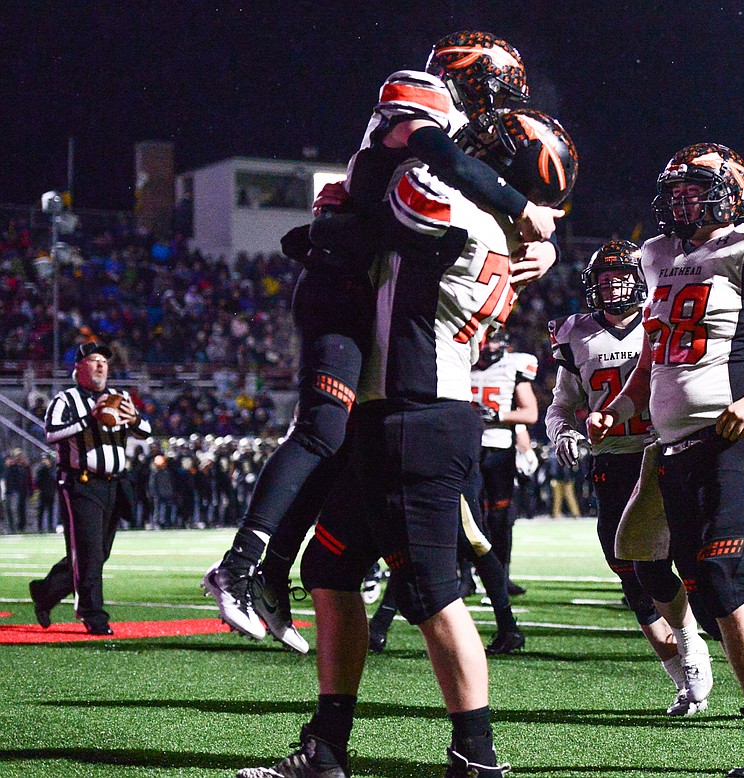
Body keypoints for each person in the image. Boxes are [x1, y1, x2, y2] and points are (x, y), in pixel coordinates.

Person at [237, 108, 577, 778]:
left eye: (488, 146)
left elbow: (376, 197)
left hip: (420, 415)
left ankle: (476, 757)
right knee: (330, 571)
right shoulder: (495, 225)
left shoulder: (454, 209)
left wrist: (401, 137)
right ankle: (327, 747)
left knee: (430, 591)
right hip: (388, 413)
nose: (466, 144)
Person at [203, 30, 563, 651]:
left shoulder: (453, 137)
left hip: (369, 285)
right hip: (341, 283)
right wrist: (517, 207)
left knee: (337, 445)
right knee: (319, 430)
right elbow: (444, 164)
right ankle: (238, 565)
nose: (501, 102)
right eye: (498, 84)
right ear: (468, 72)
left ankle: (270, 575)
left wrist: (542, 240)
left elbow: (462, 189)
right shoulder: (422, 97)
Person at [588, 144, 744, 777]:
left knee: (725, 581)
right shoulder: (662, 259)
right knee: (692, 582)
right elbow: (656, 356)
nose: (684, 200)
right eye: (677, 190)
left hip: (739, 438)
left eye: (698, 188)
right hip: (676, 447)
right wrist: (621, 403)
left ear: (731, 194)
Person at [547, 239, 715, 717]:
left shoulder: (661, 315)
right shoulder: (575, 332)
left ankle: (697, 645)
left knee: (691, 561)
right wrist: (562, 432)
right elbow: (561, 403)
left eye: (622, 276)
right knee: (632, 574)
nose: (614, 286)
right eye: (604, 279)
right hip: (613, 461)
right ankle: (684, 675)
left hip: (665, 452)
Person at [28, 341, 152, 635]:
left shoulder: (119, 397)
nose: (100, 366)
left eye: (104, 362)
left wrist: (132, 418)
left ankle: (46, 592)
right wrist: (90, 419)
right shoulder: (66, 400)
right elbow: (51, 434)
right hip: (81, 482)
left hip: (114, 483)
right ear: (79, 367)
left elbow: (145, 431)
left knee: (98, 552)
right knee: (89, 553)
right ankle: (92, 614)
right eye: (94, 361)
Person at [469, 330, 539, 595]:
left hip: (499, 448)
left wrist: (500, 415)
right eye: (488, 338)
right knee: (469, 515)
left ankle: (500, 576)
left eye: (496, 340)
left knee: (500, 518)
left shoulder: (515, 366)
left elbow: (530, 412)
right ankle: (465, 574)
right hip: (468, 447)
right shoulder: (462, 360)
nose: (491, 345)